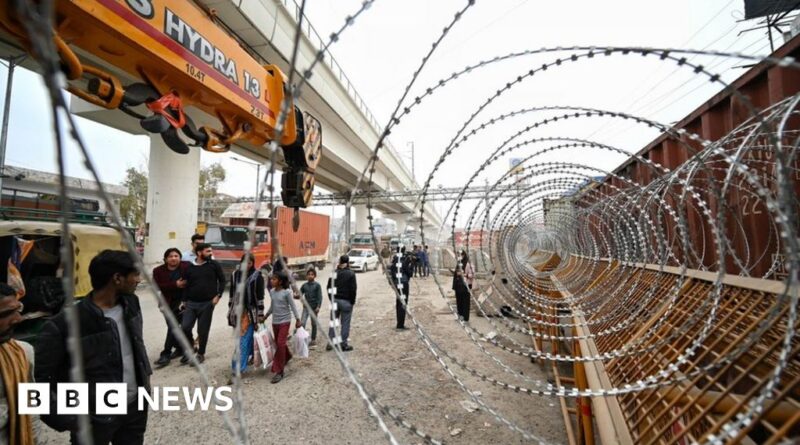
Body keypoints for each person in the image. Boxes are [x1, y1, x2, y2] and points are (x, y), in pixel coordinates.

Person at [36, 250, 151, 444]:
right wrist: (71, 420)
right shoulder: (63, 324)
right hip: (94, 418)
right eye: (136, 274)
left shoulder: (132, 303)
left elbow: (136, 347)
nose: (139, 280)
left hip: (134, 410)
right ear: (117, 278)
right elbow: (41, 380)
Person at [0, 283, 35, 445]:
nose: (17, 319)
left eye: (17, 309)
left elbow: (32, 412)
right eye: (6, 314)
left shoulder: (23, 353)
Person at [180, 243, 225, 364]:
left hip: (207, 303)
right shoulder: (189, 267)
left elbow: (222, 280)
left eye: (211, 251)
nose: (211, 253)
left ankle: (201, 353)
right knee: (185, 327)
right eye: (208, 251)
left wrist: (218, 295)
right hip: (191, 303)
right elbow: (186, 285)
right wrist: (184, 301)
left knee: (203, 330)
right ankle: (191, 346)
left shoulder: (214, 265)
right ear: (199, 253)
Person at [227, 254, 265, 376]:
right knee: (243, 339)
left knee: (243, 341)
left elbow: (260, 297)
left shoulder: (257, 276)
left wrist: (260, 314)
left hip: (250, 314)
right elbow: (232, 294)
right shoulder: (235, 275)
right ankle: (249, 357)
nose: (247, 265)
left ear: (252, 263)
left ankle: (238, 368)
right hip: (237, 313)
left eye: (249, 263)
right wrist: (230, 309)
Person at [152, 248, 190, 368]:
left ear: (180, 257)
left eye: (176, 256)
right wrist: (175, 284)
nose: (173, 258)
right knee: (172, 327)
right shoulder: (158, 271)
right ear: (165, 259)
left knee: (175, 327)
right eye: (170, 256)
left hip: (184, 303)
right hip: (167, 303)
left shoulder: (186, 267)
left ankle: (166, 353)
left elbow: (192, 282)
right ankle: (181, 348)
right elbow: (156, 286)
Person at [263, 271, 300, 384]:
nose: (271, 281)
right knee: (280, 344)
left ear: (280, 281)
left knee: (280, 343)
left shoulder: (287, 292)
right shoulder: (272, 292)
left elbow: (293, 306)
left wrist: (298, 319)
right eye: (271, 279)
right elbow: (272, 306)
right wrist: (265, 316)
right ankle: (287, 356)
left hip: (285, 321)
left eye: (274, 279)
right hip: (275, 322)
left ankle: (279, 371)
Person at [326, 255, 357, 351]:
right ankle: (343, 344)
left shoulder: (334, 272)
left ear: (340, 262)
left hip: (335, 300)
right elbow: (353, 289)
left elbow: (328, 287)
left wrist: (331, 299)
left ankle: (331, 343)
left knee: (333, 322)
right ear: (348, 262)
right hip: (346, 301)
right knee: (345, 323)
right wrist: (352, 301)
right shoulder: (351, 274)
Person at [390, 247, 414, 330]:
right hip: (403, 284)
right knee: (403, 303)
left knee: (399, 303)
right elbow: (410, 273)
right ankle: (400, 325)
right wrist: (411, 264)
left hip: (397, 283)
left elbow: (392, 272)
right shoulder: (404, 261)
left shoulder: (395, 260)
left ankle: (399, 323)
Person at [299, 268, 323, 347]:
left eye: (312, 274)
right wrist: (296, 295)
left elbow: (320, 297)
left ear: (314, 276)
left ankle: (313, 339)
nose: (310, 276)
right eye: (308, 274)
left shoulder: (317, 285)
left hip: (314, 307)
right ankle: (302, 339)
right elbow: (299, 294)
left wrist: (318, 306)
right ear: (306, 276)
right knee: (302, 322)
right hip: (306, 307)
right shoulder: (304, 285)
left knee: (314, 324)